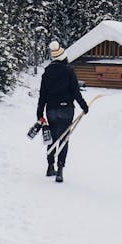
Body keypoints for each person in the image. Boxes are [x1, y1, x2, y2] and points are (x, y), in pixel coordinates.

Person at [37, 40, 89, 183]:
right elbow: (75, 92)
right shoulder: (69, 71)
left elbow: (43, 95)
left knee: (51, 137)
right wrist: (84, 106)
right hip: (66, 109)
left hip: (51, 110)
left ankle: (49, 166)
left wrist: (39, 114)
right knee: (64, 139)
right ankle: (60, 170)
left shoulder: (46, 73)